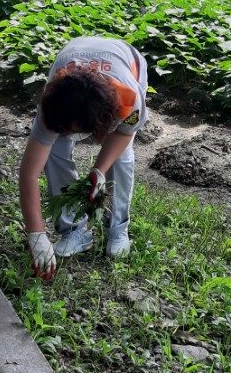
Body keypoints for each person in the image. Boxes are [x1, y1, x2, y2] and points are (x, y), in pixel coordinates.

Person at [18, 37, 149, 280]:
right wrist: (36, 234)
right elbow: (29, 173)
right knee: (54, 151)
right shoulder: (53, 103)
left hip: (127, 61)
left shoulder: (130, 100)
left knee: (121, 159)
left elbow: (123, 134)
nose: (74, 134)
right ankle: (73, 230)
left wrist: (99, 170)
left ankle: (117, 228)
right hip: (74, 58)